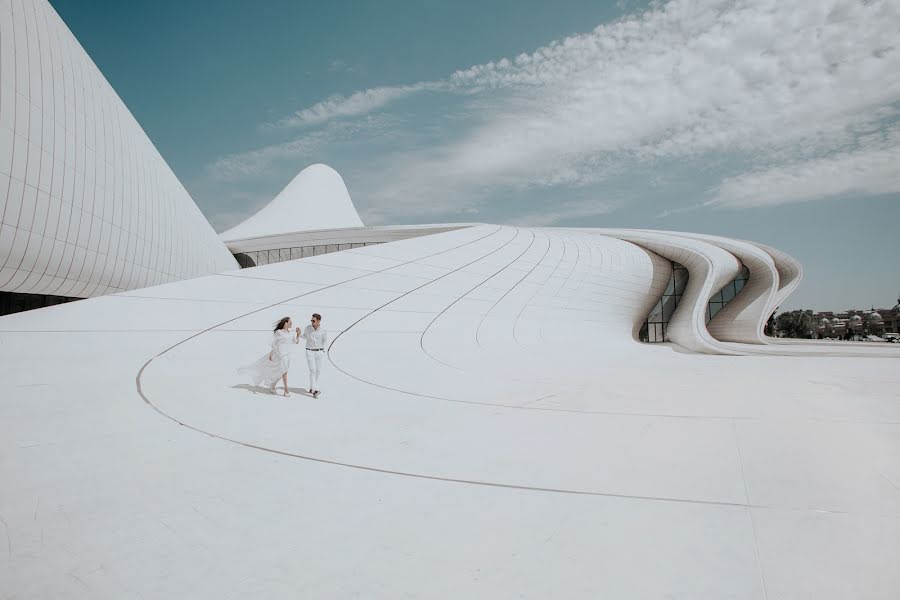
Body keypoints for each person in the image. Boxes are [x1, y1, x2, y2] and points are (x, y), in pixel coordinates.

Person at [239, 316, 300, 396]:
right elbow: (273, 344)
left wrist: (298, 334)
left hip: (288, 355)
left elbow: (296, 342)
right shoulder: (279, 332)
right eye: (290, 322)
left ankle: (272, 385)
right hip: (281, 355)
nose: (291, 323)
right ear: (285, 323)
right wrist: (272, 353)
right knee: (284, 372)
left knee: (281, 371)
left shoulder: (290, 333)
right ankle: (286, 390)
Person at [299, 313, 327, 397]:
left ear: (319, 321)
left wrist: (322, 351)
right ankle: (315, 389)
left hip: (319, 352)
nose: (312, 322)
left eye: (313, 320)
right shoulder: (308, 328)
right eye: (311, 320)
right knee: (312, 370)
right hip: (309, 352)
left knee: (318, 371)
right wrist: (299, 334)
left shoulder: (323, 330)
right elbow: (304, 337)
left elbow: (324, 341)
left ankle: (312, 388)